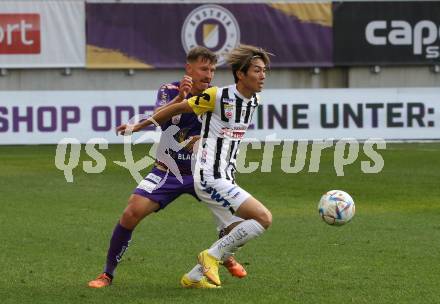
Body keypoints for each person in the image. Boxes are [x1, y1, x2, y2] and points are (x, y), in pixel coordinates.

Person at [89, 46, 247, 289]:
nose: (209, 74)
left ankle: (222, 256)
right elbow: (159, 120)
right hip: (167, 171)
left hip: (202, 174)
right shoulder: (170, 90)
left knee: (238, 222)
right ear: (189, 68)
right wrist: (178, 99)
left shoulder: (215, 98)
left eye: (213, 70)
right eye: (204, 68)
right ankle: (106, 275)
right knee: (131, 212)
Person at [117, 44, 273, 288]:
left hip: (224, 174)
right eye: (257, 70)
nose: (263, 76)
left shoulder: (255, 100)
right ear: (241, 74)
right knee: (262, 218)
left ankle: (194, 276)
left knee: (242, 230)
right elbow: (177, 108)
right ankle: (212, 256)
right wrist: (137, 126)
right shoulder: (216, 95)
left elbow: (218, 130)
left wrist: (202, 139)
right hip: (207, 175)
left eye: (264, 71)